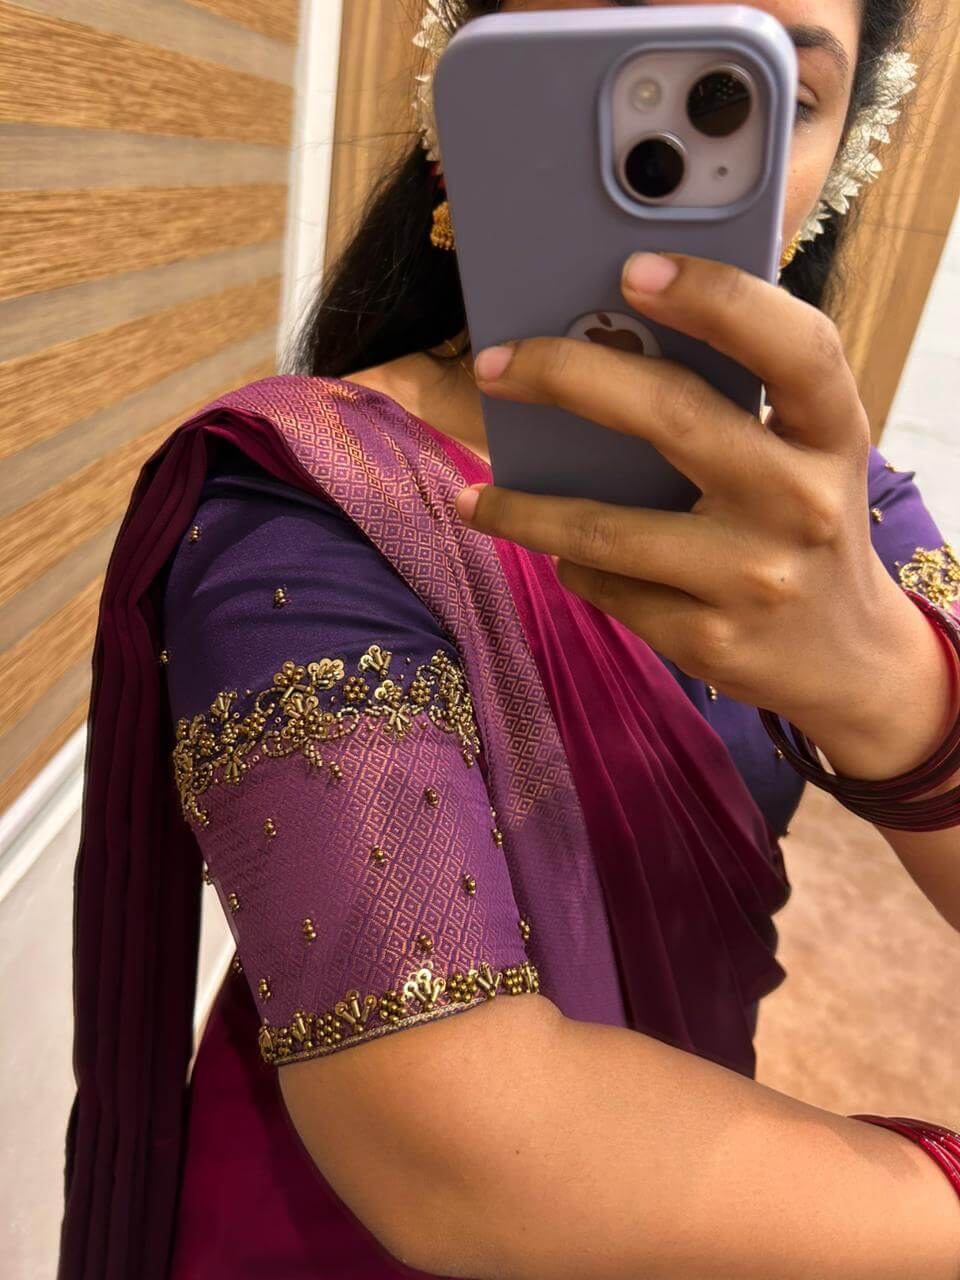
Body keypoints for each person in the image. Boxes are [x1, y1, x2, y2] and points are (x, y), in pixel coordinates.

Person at [58, 2, 960, 1278]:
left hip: (688, 1168)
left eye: (757, 95)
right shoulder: (308, 496)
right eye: (597, 38)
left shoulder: (838, 518)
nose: (662, 154)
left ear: (840, 159)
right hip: (341, 1230)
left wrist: (895, 690)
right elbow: (456, 1150)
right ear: (459, 101)